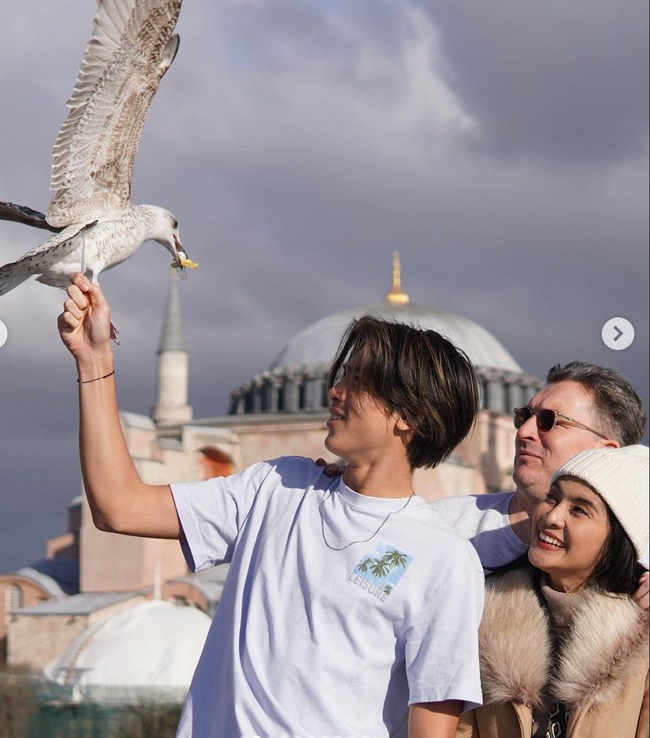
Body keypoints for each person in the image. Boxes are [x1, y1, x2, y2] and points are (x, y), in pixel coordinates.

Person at [58, 274, 486, 738]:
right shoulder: (278, 488)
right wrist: (94, 358)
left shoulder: (442, 558)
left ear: (409, 417)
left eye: (359, 382)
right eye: (343, 376)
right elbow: (119, 506)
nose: (336, 391)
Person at [320, 360, 650, 603]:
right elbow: (358, 595)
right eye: (525, 416)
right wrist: (335, 496)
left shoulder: (641, 563)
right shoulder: (440, 521)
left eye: (549, 421)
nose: (524, 432)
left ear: (606, 453)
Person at [456, 444, 649, 738]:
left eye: (579, 510)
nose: (552, 517)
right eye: (552, 498)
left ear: (618, 541)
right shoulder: (481, 609)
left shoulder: (642, 633)